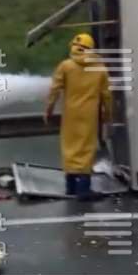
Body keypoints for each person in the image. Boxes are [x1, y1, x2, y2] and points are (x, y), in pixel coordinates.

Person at [44, 33, 113, 201]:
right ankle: (83, 189)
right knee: (86, 148)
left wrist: (49, 110)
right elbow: (107, 95)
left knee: (70, 147)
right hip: (89, 114)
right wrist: (107, 114)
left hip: (70, 113)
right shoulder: (100, 68)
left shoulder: (66, 66)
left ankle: (71, 187)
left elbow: (54, 89)